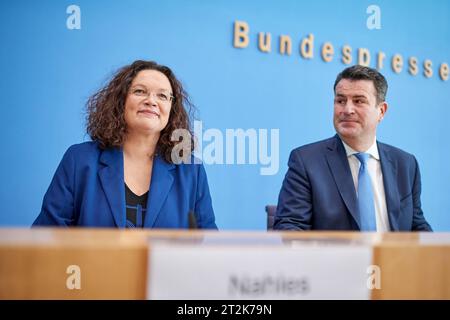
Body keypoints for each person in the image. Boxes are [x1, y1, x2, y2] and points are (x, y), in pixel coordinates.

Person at [33, 60, 217, 229]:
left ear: (171, 108)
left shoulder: (191, 169)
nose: (151, 101)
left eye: (162, 95)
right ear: (121, 101)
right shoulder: (79, 160)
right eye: (140, 91)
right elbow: (47, 237)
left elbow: (208, 244)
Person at [274, 65, 432, 231]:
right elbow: (290, 227)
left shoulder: (406, 164)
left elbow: (416, 226)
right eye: (340, 101)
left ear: (381, 111)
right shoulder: (306, 161)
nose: (347, 110)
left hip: (393, 258)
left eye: (359, 101)